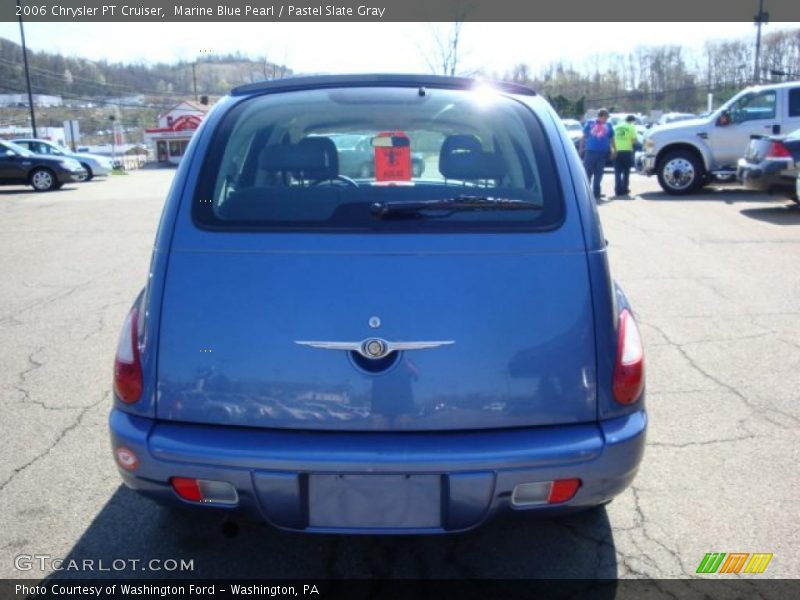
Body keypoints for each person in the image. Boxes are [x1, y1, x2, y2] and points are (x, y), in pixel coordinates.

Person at [579, 108, 615, 201]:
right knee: (588, 173)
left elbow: (611, 138)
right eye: (605, 117)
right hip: (590, 152)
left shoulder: (608, 125)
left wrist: (613, 149)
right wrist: (581, 148)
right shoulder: (591, 123)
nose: (606, 119)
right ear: (600, 116)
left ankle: (597, 193)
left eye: (607, 117)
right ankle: (586, 193)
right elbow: (583, 136)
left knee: (599, 173)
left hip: (602, 153)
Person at [613, 115, 638, 197]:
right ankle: (624, 189)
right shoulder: (631, 127)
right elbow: (634, 141)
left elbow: (612, 138)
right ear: (632, 121)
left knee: (617, 171)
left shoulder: (616, 126)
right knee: (626, 171)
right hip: (627, 151)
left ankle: (617, 190)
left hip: (616, 151)